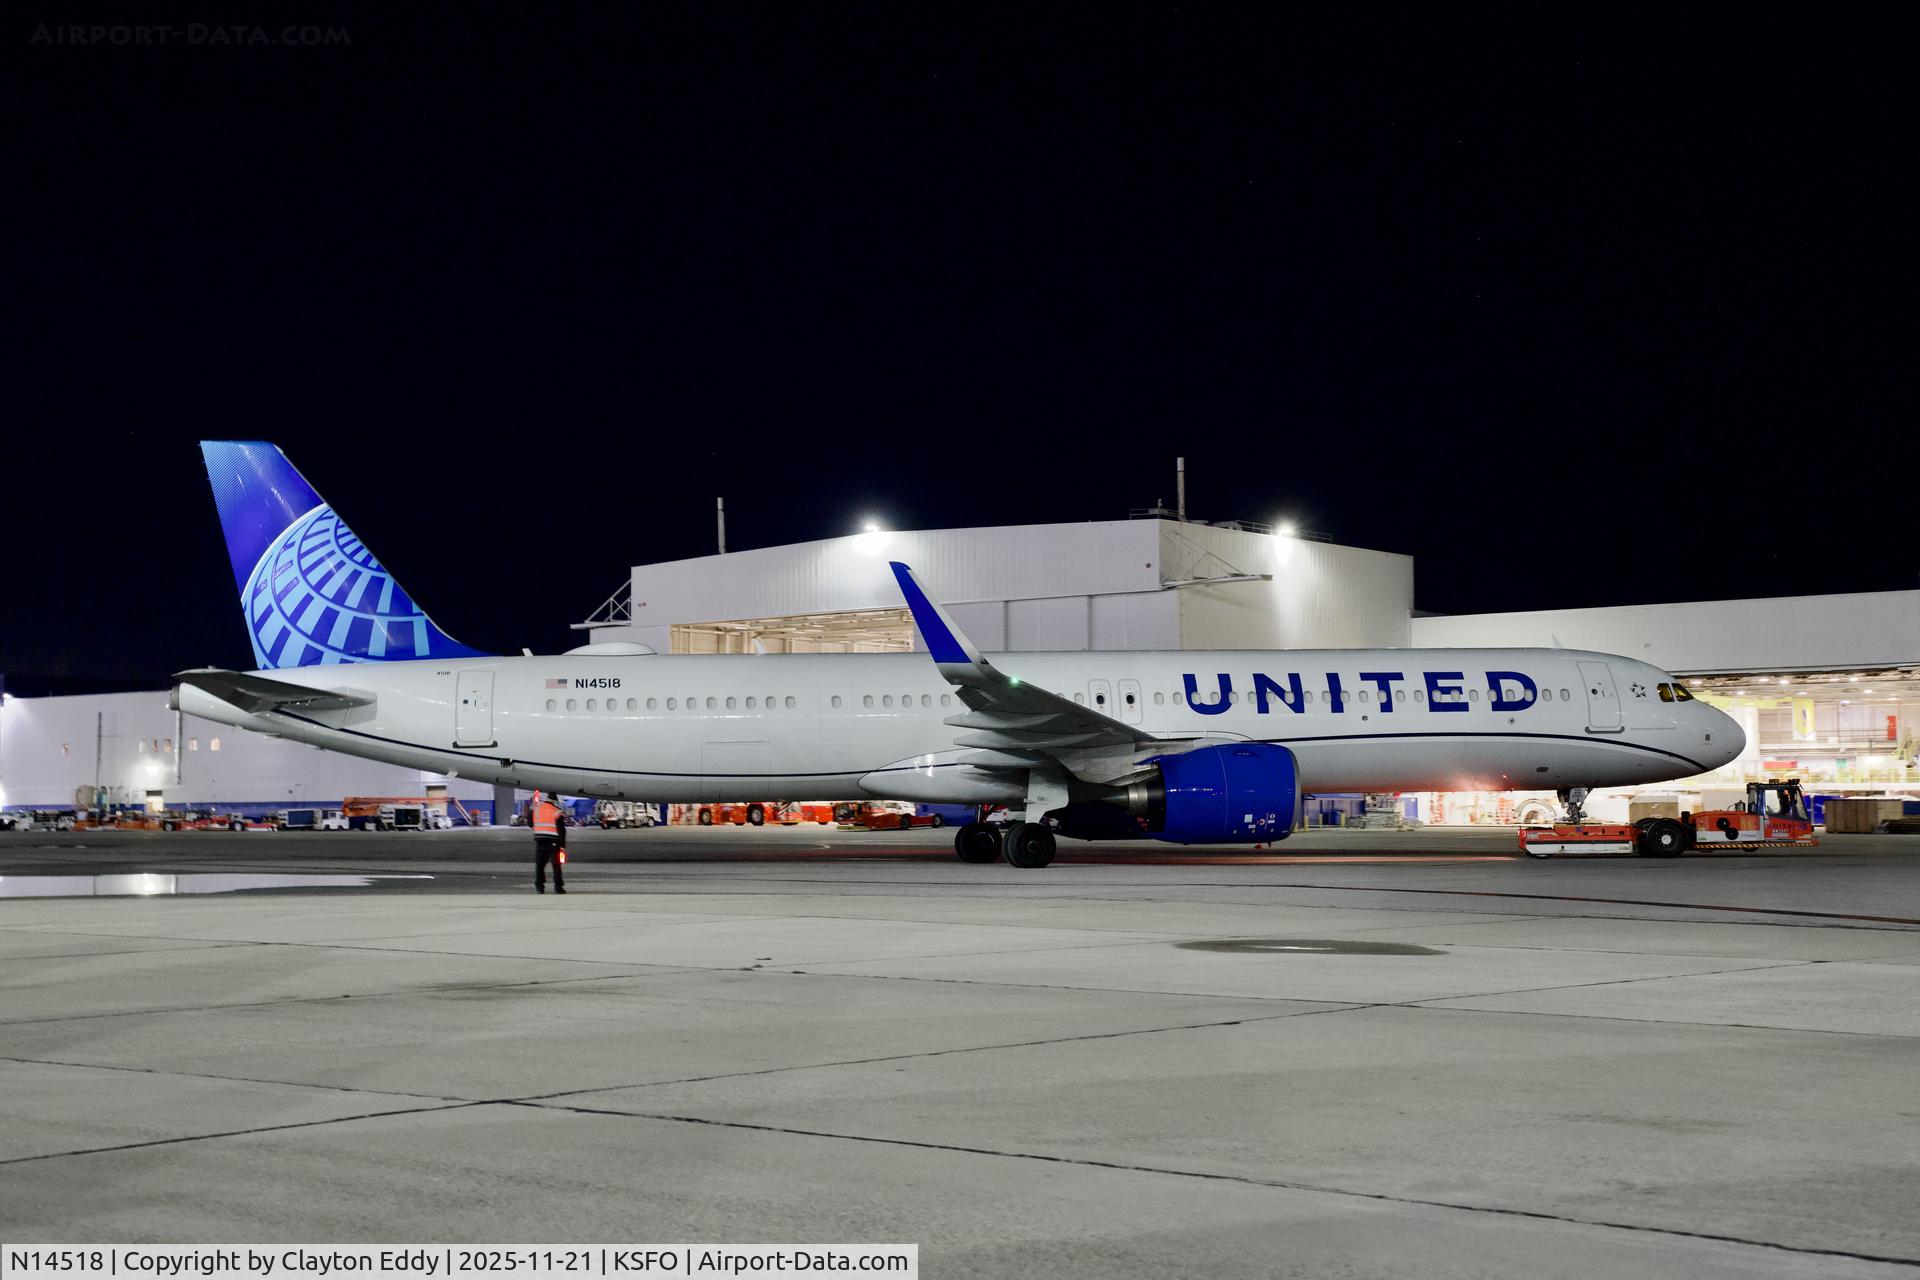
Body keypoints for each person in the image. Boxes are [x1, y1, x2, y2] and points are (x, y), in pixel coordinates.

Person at [528, 790, 568, 894]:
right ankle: (558, 887)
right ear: (555, 801)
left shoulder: (537, 810)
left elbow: (530, 823)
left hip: (540, 841)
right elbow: (561, 830)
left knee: (540, 865)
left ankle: (539, 886)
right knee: (556, 865)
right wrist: (562, 845)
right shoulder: (557, 812)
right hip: (553, 842)